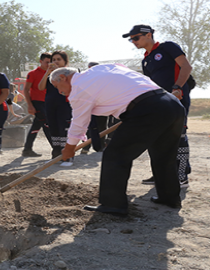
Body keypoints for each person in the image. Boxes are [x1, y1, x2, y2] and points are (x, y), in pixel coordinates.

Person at [52, 65, 185, 216]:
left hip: (146, 108)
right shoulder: (99, 70)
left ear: (63, 77)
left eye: (57, 86)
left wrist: (69, 148)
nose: (60, 92)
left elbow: (78, 123)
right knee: (164, 155)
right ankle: (169, 197)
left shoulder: (79, 88)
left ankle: (113, 204)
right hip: (171, 104)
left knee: (115, 155)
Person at [124, 24, 193, 188]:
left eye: (136, 37)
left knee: (178, 136)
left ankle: (181, 175)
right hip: (158, 102)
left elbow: (186, 66)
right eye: (131, 39)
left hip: (177, 98)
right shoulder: (146, 59)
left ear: (148, 35)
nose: (133, 41)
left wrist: (177, 87)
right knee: (157, 138)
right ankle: (160, 174)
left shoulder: (168, 47)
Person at [38, 50, 73, 164]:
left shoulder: (70, 72)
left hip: (65, 104)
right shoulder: (51, 75)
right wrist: (47, 72)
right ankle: (56, 155)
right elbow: (41, 87)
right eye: (54, 60)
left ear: (65, 61)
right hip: (50, 105)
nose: (56, 62)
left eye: (59, 59)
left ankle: (68, 157)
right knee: (53, 129)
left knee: (64, 130)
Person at [21, 52, 53, 157]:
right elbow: (26, 90)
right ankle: (56, 149)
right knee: (47, 125)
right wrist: (30, 105)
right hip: (37, 102)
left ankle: (27, 149)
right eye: (47, 62)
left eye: (50, 62)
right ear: (41, 61)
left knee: (36, 125)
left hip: (48, 103)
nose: (49, 64)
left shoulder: (54, 73)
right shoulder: (33, 73)